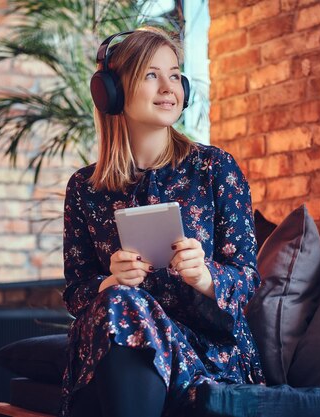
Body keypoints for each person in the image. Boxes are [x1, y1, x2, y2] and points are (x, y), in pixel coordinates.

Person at [60, 27, 265, 417]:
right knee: (120, 302)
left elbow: (247, 279)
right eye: (151, 75)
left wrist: (205, 276)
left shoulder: (214, 168)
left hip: (205, 355)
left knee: (121, 307)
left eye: (174, 74)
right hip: (116, 340)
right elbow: (76, 293)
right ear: (112, 92)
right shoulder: (84, 189)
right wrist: (109, 281)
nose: (168, 87)